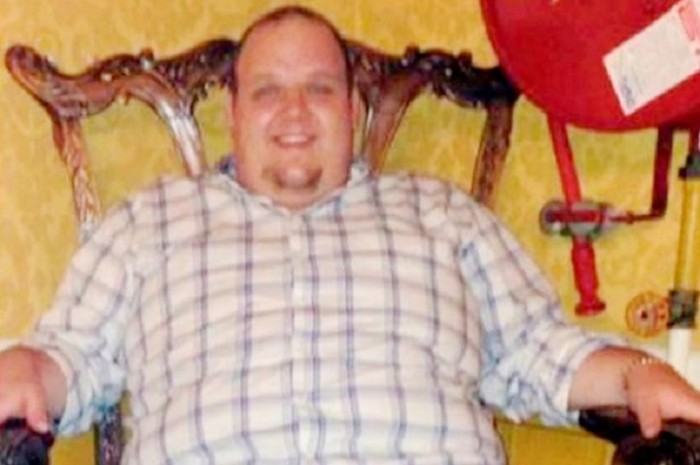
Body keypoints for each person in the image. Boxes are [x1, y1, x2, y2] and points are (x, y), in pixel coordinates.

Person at [2, 5, 700, 464]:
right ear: (234, 111)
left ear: (353, 105)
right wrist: (28, 369)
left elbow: (540, 351)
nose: (295, 111)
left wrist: (641, 372)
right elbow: (70, 358)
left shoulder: (442, 215)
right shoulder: (146, 222)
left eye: (320, 88)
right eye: (268, 90)